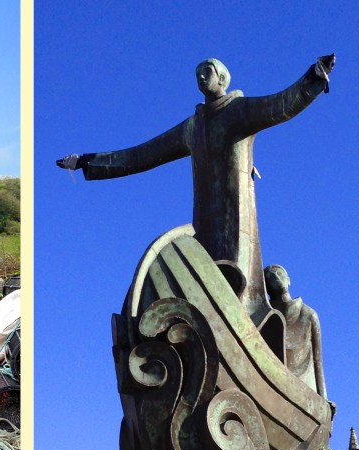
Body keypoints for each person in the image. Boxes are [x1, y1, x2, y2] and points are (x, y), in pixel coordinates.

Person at [57, 55, 335, 327]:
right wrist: (85, 161)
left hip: (237, 214)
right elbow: (141, 155)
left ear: (223, 79)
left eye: (207, 72)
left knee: (235, 280)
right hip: (205, 216)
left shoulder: (239, 111)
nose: (201, 78)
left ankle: (241, 331)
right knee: (202, 276)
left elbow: (282, 104)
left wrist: (314, 76)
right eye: (197, 74)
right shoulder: (193, 126)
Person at [263, 264, 327, 400]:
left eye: (279, 274)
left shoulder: (309, 314)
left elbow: (317, 359)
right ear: (266, 287)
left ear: (288, 280)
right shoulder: (264, 316)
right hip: (275, 384)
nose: (275, 276)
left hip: (305, 387)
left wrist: (323, 397)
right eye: (270, 277)